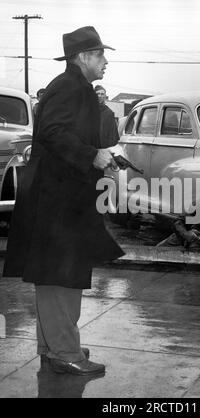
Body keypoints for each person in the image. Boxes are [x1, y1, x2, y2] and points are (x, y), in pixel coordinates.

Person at [3, 26, 124, 376]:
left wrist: (101, 155)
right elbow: (53, 133)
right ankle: (64, 351)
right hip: (57, 200)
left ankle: (55, 345)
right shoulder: (68, 87)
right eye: (100, 55)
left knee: (57, 273)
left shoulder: (76, 88)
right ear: (82, 57)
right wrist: (92, 156)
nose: (105, 62)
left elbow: (66, 134)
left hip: (63, 196)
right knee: (61, 275)